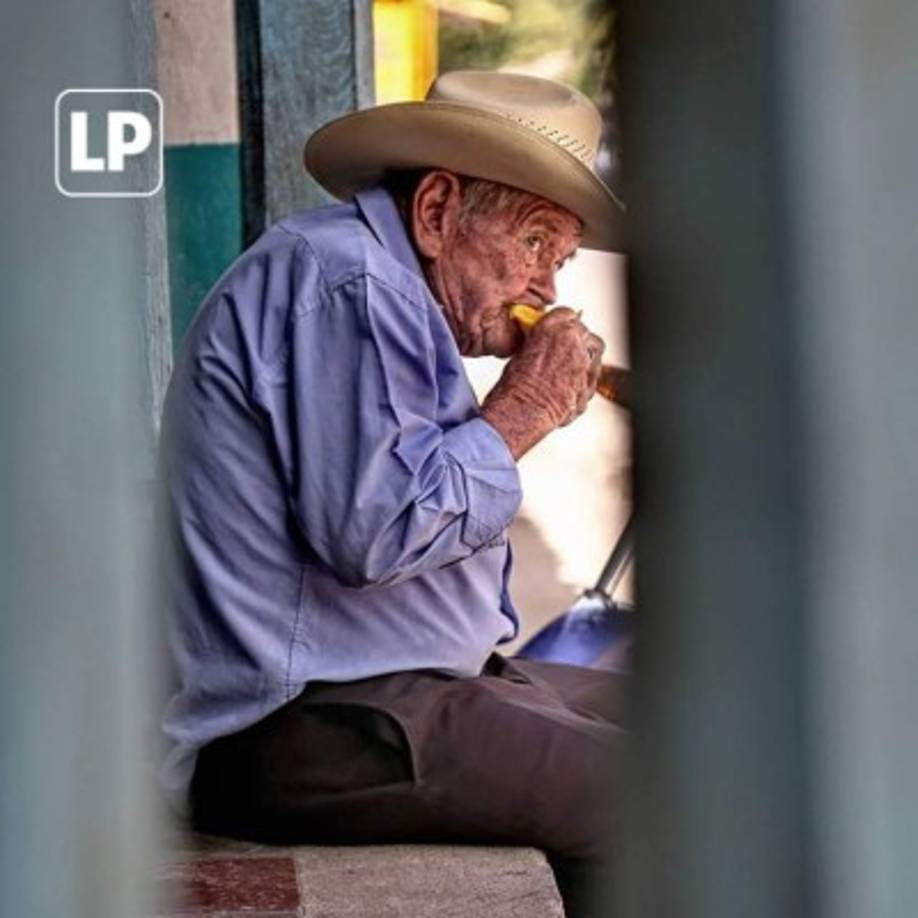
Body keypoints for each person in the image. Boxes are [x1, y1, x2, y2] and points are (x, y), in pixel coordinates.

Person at [157, 70, 627, 917]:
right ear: (439, 211)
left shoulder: (392, 292)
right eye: (533, 246)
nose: (549, 290)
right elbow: (379, 530)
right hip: (300, 725)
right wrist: (522, 410)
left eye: (559, 262)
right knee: (663, 795)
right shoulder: (350, 282)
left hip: (401, 688)